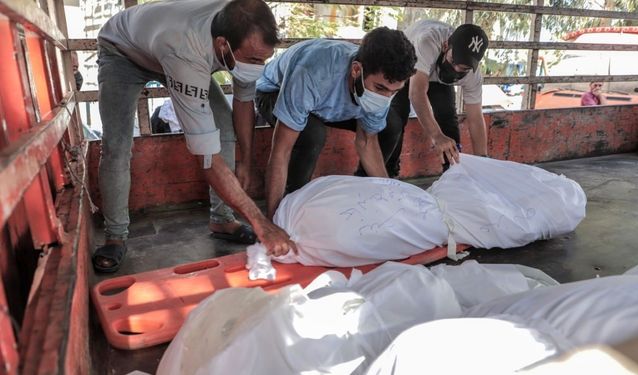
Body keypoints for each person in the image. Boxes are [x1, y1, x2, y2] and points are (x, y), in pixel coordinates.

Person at [94, 0, 296, 273]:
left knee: (224, 124)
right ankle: (115, 235)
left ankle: (222, 220)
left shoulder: (242, 30)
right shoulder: (186, 50)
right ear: (223, 45)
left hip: (173, 45)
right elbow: (207, 156)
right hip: (123, 51)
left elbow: (244, 102)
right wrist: (263, 224)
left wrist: (246, 161)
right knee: (117, 144)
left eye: (264, 60)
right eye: (252, 60)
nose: (258, 67)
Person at [255, 27, 417, 218]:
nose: (385, 97)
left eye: (394, 91)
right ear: (357, 70)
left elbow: (366, 141)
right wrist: (273, 220)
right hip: (273, 92)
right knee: (312, 134)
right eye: (380, 88)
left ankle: (364, 195)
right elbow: (281, 150)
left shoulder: (381, 85)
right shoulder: (311, 72)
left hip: (329, 105)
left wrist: (387, 193)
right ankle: (289, 209)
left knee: (391, 124)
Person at [375, 21, 489, 176]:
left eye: (464, 68)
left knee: (447, 118)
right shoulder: (427, 42)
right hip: (406, 64)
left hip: (437, 73)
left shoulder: (473, 76)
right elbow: (416, 93)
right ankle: (388, 173)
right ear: (445, 45)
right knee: (396, 117)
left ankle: (454, 174)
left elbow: (475, 117)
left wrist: (483, 161)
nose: (456, 69)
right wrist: (436, 135)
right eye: (454, 61)